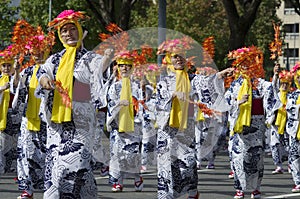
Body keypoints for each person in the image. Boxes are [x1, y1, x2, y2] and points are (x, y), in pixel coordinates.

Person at [36, 10, 113, 198]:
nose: (68, 33)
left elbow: (98, 76)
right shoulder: (54, 59)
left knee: (76, 165)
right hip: (57, 126)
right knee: (56, 172)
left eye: (72, 29)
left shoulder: (91, 58)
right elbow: (42, 73)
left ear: (80, 31)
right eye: (63, 31)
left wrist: (107, 61)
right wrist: (45, 79)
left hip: (81, 125)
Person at [224, 46, 278, 199]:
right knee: (238, 157)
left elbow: (272, 91)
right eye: (242, 64)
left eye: (248, 63)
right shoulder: (234, 85)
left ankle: (255, 188)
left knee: (256, 157)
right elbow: (225, 102)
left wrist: (275, 76)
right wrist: (237, 102)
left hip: (256, 125)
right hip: (239, 125)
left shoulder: (259, 83)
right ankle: (240, 188)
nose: (245, 67)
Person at [13, 28, 55, 199]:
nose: (37, 55)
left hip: (48, 120)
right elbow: (17, 89)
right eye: (34, 52)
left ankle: (50, 189)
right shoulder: (27, 71)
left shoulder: (54, 68)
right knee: (25, 154)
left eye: (41, 51)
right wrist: (16, 71)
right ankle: (27, 189)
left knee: (47, 156)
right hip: (28, 120)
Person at [106, 51, 144, 192]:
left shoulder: (137, 86)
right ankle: (118, 181)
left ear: (132, 67)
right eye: (121, 65)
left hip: (134, 125)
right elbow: (110, 103)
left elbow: (144, 104)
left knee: (132, 154)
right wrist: (119, 104)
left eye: (127, 65)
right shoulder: (114, 86)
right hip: (118, 124)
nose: (124, 68)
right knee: (117, 154)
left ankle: (136, 177)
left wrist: (136, 104)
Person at [265, 68, 292, 175]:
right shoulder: (276, 94)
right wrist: (275, 74)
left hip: (288, 124)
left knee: (288, 145)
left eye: (286, 84)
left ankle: (291, 164)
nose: (284, 86)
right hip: (275, 123)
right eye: (282, 84)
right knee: (275, 145)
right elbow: (273, 85)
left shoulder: (292, 96)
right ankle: (279, 166)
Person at [0, 47, 21, 175]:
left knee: (15, 142)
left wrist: (17, 72)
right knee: (2, 143)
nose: (7, 68)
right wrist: (2, 88)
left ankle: (14, 168)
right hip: (2, 115)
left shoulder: (16, 78)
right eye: (4, 66)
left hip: (15, 115)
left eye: (9, 66)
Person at [286, 63, 300, 193]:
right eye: (298, 77)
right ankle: (298, 181)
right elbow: (289, 109)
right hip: (295, 130)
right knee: (294, 156)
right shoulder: (292, 95)